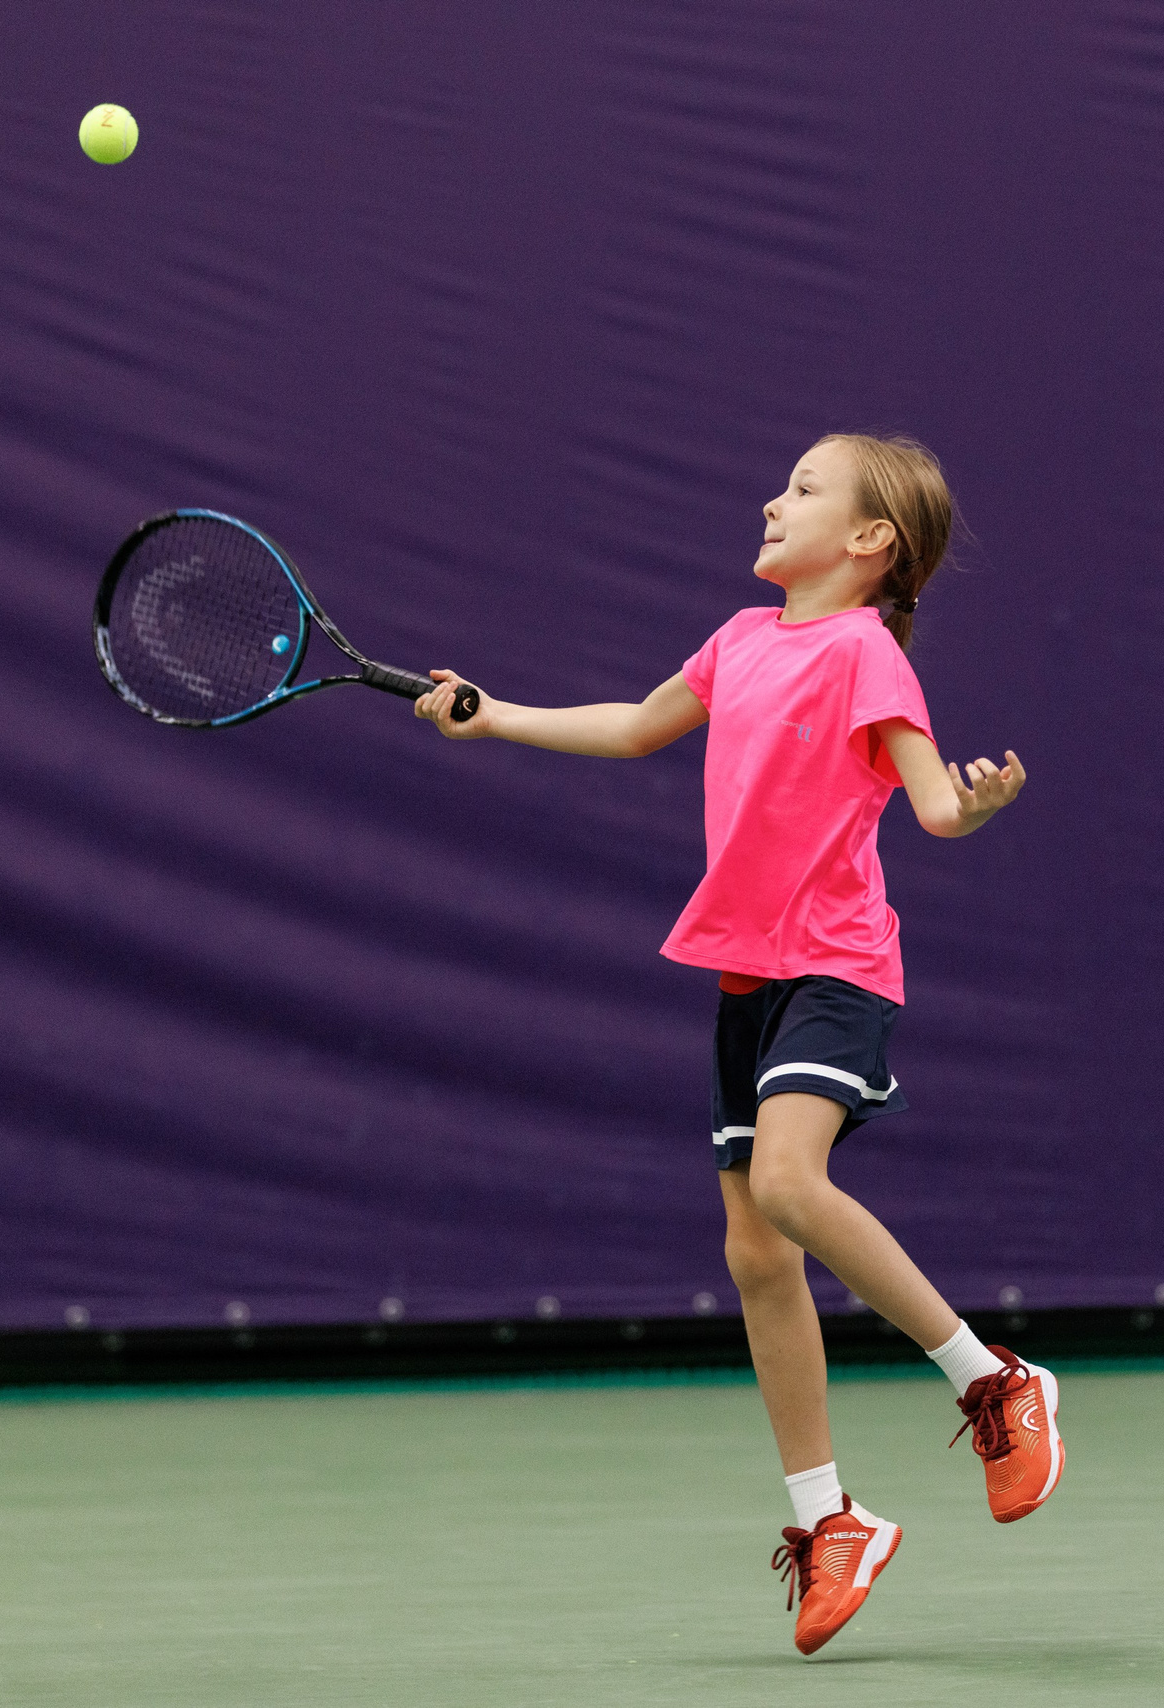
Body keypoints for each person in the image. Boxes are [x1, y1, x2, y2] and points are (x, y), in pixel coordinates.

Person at [414, 432, 1059, 1656]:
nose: (773, 497)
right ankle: (833, 1520)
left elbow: (927, 800)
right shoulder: (738, 640)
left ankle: (993, 1379)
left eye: (806, 488)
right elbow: (632, 728)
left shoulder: (865, 655)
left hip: (835, 964)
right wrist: (493, 715)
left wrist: (969, 807)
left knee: (785, 1180)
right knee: (757, 1252)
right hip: (745, 975)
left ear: (871, 544)